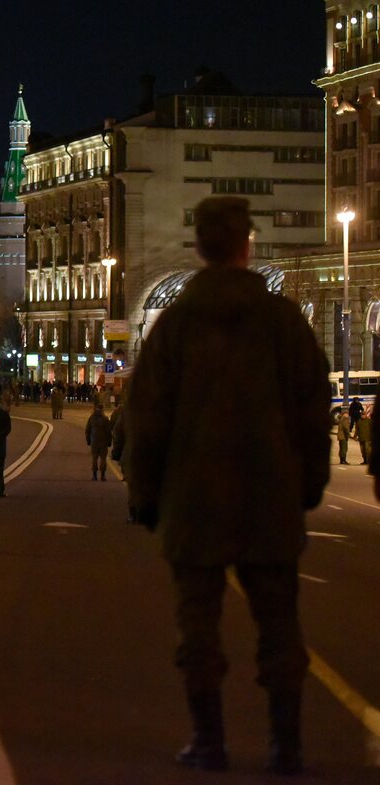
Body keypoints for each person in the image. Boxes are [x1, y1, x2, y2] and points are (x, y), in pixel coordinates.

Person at [125, 196, 329, 775]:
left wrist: (144, 495)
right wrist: (309, 485)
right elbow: (314, 409)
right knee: (279, 623)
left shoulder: (175, 326)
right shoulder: (284, 322)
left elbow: (146, 420)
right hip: (271, 501)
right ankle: (286, 745)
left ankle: (209, 740)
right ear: (247, 245)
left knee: (198, 625)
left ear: (199, 248)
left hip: (194, 503)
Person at [85, 402, 113, 481]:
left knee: (94, 458)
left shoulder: (92, 418)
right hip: (103, 442)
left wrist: (88, 440)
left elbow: (87, 430)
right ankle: (103, 475)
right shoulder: (105, 419)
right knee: (103, 459)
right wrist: (109, 441)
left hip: (94, 441)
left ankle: (94, 475)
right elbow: (108, 432)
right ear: (102, 409)